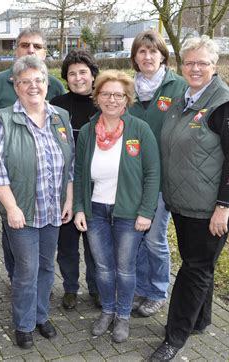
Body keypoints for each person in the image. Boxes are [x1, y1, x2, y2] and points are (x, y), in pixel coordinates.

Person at [150, 36, 229, 361]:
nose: (195, 68)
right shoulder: (185, 98)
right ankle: (201, 319)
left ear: (214, 66)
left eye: (202, 63)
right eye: (190, 62)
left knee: (195, 269)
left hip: (210, 207)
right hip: (184, 204)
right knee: (201, 266)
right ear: (182, 65)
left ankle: (174, 336)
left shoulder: (226, 106)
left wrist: (222, 207)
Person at [0, 56, 74, 349]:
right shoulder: (4, 120)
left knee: (47, 267)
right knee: (26, 270)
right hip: (22, 212)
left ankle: (41, 316)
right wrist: (11, 208)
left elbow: (70, 164)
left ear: (47, 83)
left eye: (38, 80)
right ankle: (23, 324)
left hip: (52, 210)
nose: (33, 86)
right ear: (16, 85)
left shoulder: (60, 116)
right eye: (25, 81)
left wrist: (69, 200)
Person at [73, 70, 160, 343]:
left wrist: (146, 211)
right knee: (102, 268)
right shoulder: (87, 131)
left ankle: (123, 316)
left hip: (128, 212)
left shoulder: (139, 130)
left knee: (125, 268)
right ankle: (107, 311)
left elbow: (152, 173)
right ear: (97, 98)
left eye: (118, 95)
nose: (112, 100)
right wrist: (78, 208)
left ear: (127, 100)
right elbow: (78, 173)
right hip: (95, 210)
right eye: (106, 94)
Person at [0, 28, 66, 282]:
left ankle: (36, 285)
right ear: (16, 49)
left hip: (46, 186)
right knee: (12, 235)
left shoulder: (53, 85)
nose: (31, 50)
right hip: (11, 180)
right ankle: (16, 278)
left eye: (37, 46)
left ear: (44, 52)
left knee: (42, 253)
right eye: (25, 44)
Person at [128, 30, 187, 317]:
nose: (147, 56)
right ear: (135, 58)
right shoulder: (128, 88)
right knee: (137, 236)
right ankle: (140, 287)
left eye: (153, 51)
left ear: (163, 55)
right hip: (132, 177)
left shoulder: (179, 87)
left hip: (163, 177)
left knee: (154, 236)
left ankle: (158, 290)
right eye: (141, 51)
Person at [50, 49, 100, 310]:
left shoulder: (103, 103)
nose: (78, 78)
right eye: (72, 73)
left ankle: (96, 288)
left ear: (93, 75)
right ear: (65, 78)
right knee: (67, 244)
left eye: (83, 72)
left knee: (94, 244)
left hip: (96, 187)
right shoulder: (57, 105)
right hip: (65, 188)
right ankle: (70, 288)